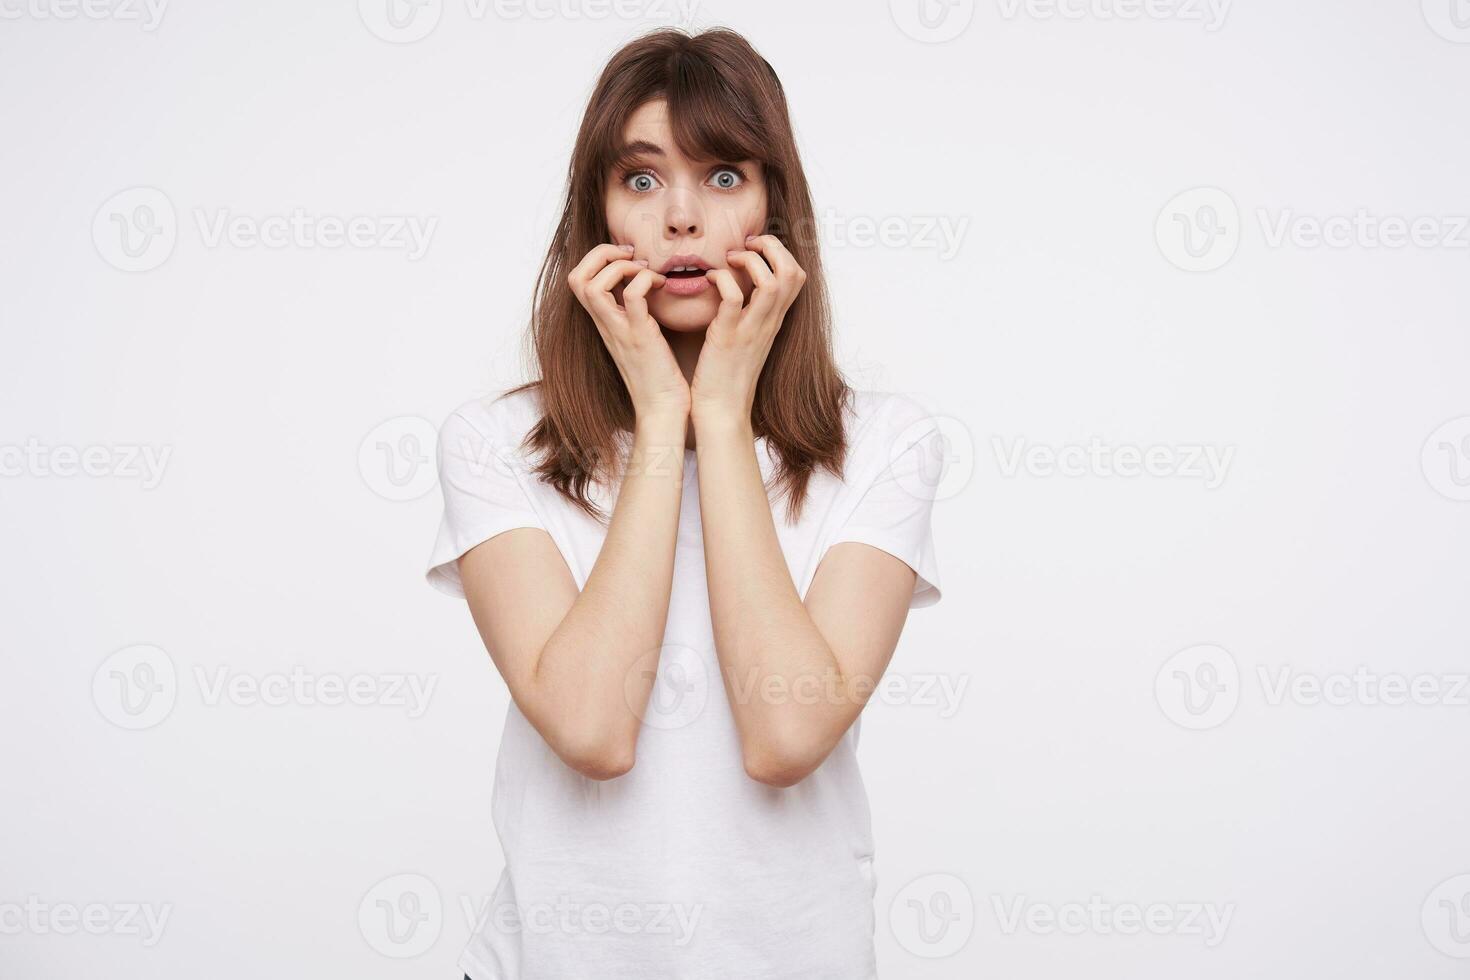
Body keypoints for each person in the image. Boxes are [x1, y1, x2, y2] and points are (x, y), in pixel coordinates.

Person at [426, 25, 946, 980]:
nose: (681, 220)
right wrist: (665, 416)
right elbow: (591, 731)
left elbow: (787, 737)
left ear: (775, 207)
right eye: (640, 179)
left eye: (722, 177)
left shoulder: (886, 444)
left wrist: (725, 408)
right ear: (596, 216)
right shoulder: (492, 444)